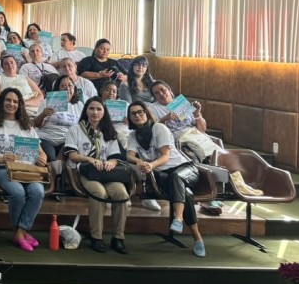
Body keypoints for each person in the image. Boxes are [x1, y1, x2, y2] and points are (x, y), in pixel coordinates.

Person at [126, 102, 206, 257]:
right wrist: (139, 161)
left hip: (184, 168)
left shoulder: (159, 128)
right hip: (163, 174)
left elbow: (165, 156)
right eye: (133, 113)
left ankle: (178, 218)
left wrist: (151, 164)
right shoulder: (132, 135)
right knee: (187, 194)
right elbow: (129, 156)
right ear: (129, 117)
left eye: (140, 112)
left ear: (147, 113)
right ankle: (197, 238)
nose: (137, 115)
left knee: (176, 177)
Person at [0, 87, 47, 251]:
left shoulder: (26, 125)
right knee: (17, 192)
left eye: (15, 101)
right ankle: (21, 233)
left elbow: (41, 152)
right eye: (8, 100)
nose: (11, 104)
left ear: (20, 104)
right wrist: (0, 158)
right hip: (2, 169)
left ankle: (20, 232)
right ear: (1, 102)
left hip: (27, 170)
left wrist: (42, 158)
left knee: (38, 192)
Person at [63, 97, 129, 255]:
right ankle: (96, 237)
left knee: (121, 193)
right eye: (91, 108)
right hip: (85, 171)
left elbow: (114, 156)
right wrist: (90, 160)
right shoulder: (75, 129)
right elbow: (72, 155)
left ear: (104, 112)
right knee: (99, 192)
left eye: (99, 109)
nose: (95, 112)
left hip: (106, 173)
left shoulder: (108, 131)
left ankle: (118, 237)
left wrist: (111, 162)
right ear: (86, 110)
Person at [148, 81, 223, 162]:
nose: (161, 94)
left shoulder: (180, 103)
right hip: (179, 140)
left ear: (169, 89)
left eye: (163, 90)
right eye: (156, 93)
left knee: (219, 152)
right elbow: (155, 133)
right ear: (154, 97)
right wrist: (164, 119)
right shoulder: (152, 109)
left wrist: (197, 114)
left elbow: (202, 129)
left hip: (195, 134)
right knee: (208, 156)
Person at [34, 74, 84, 162]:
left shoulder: (79, 105)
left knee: (68, 158)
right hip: (46, 138)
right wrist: (43, 114)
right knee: (50, 157)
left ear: (74, 88)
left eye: (70, 85)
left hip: (67, 141)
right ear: (58, 88)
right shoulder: (47, 102)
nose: (67, 88)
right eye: (63, 86)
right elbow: (36, 124)